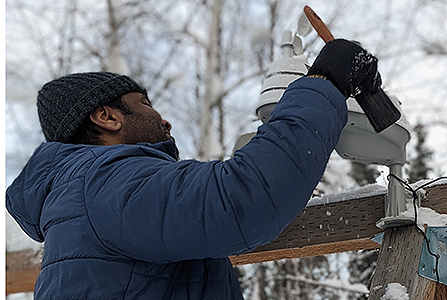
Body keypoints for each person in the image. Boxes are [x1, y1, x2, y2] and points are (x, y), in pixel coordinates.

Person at [6, 39, 382, 299]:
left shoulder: (79, 196)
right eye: (144, 104)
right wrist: (325, 83)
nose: (164, 122)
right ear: (107, 117)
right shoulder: (106, 181)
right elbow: (245, 198)